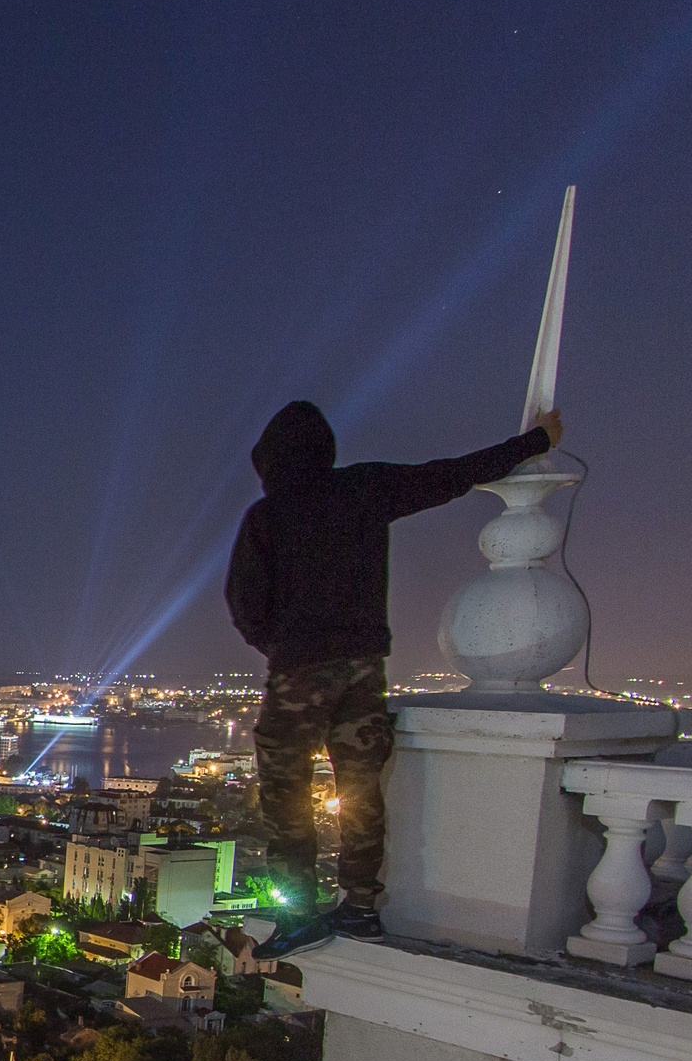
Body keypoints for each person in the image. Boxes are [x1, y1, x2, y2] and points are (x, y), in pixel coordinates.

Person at [226, 399, 561, 950]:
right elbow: (452, 475)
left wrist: (281, 646)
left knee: (286, 790)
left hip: (300, 673)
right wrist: (534, 442)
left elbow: (243, 603)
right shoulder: (364, 490)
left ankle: (298, 909)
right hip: (363, 669)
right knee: (360, 790)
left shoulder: (268, 517)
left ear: (269, 459)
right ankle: (360, 905)